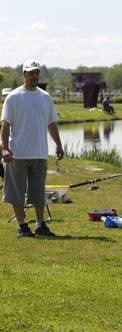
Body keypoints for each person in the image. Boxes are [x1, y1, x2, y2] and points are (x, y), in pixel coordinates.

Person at [1, 60, 64, 237]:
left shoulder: (45, 97)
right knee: (17, 191)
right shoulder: (13, 97)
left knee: (38, 192)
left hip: (40, 152)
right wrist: (5, 149)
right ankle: (22, 225)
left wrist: (58, 144)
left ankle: (40, 224)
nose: (34, 76)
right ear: (24, 74)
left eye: (37, 73)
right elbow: (5, 125)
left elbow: (51, 123)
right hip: (17, 154)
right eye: (31, 73)